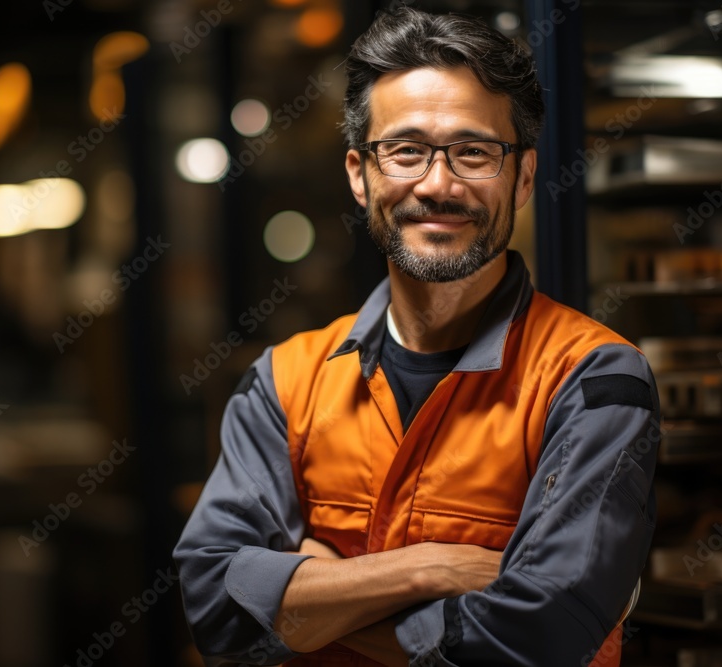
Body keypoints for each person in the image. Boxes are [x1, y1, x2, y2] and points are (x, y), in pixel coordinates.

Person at [174, 7, 660, 666]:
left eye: (474, 151)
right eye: (405, 150)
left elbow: (538, 636)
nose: (438, 183)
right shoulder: (284, 381)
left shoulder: (593, 380)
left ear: (521, 177)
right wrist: (433, 569)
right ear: (359, 174)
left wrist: (307, 597)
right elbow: (215, 607)